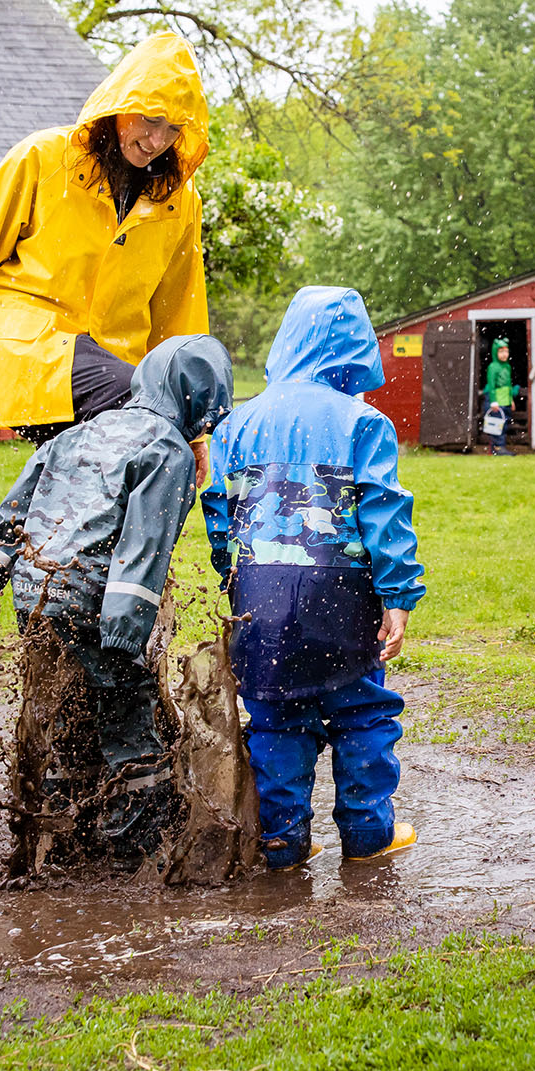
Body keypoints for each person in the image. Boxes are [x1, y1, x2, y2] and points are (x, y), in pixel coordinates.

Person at [0, 31, 212, 484]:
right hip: (25, 346)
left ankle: (9, 549)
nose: (156, 140)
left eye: (173, 129)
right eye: (151, 120)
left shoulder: (178, 201)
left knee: (114, 478)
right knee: (145, 413)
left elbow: (179, 315)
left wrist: (194, 430)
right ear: (121, 104)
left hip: (108, 365)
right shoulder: (42, 158)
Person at [0, 333, 233, 865]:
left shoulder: (81, 432)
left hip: (35, 592)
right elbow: (144, 543)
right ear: (201, 404)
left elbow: (22, 503)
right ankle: (135, 848)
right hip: (96, 599)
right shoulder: (167, 451)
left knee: (68, 707)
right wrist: (128, 628)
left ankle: (61, 830)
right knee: (130, 713)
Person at [201, 286, 425, 872]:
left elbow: (220, 511)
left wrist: (235, 575)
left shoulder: (234, 424)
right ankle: (368, 833)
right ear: (352, 351)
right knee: (360, 709)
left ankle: (283, 842)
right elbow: (383, 511)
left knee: (274, 715)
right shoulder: (363, 422)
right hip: (340, 593)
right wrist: (397, 595)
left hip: (259, 594)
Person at [482, 338, 520, 456]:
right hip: (496, 400)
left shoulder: (507, 367)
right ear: (495, 352)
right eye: (501, 352)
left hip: (505, 400)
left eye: (506, 351)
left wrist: (511, 400)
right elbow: (492, 385)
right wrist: (493, 401)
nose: (504, 355)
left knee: (504, 423)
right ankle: (498, 447)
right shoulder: (493, 367)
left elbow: (508, 384)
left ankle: (497, 448)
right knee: (496, 423)